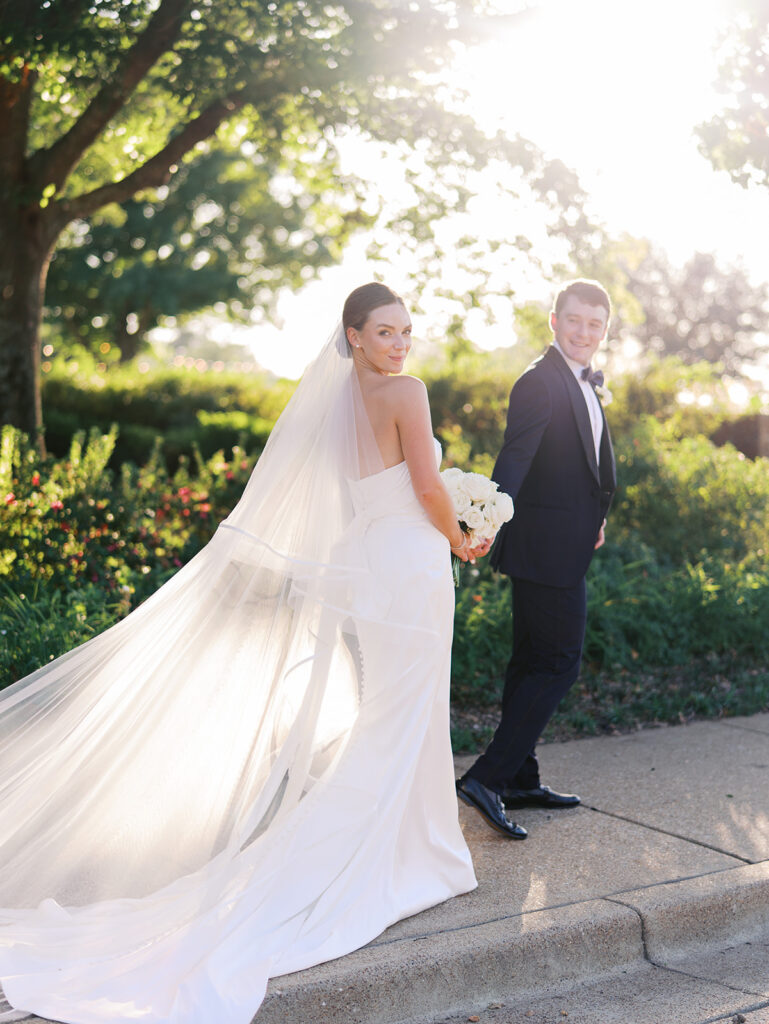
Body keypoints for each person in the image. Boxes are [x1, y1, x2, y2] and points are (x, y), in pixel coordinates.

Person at [0, 283, 484, 1024]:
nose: (399, 344)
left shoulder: (331, 404)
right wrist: (464, 536)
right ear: (352, 335)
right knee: (405, 712)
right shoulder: (406, 393)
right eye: (385, 331)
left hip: (367, 561)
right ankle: (403, 852)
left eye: (405, 332)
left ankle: (400, 843)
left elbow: (350, 493)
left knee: (390, 710)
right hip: (411, 565)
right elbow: (423, 485)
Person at [456, 279, 616, 838]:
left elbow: (584, 468)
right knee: (559, 663)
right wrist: (481, 522)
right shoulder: (538, 382)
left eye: (595, 324)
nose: (583, 332)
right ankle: (488, 776)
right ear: (554, 320)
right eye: (574, 320)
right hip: (543, 548)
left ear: (604, 330)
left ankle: (520, 778)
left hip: (565, 543)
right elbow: (516, 460)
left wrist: (596, 517)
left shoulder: (583, 383)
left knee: (530, 662)